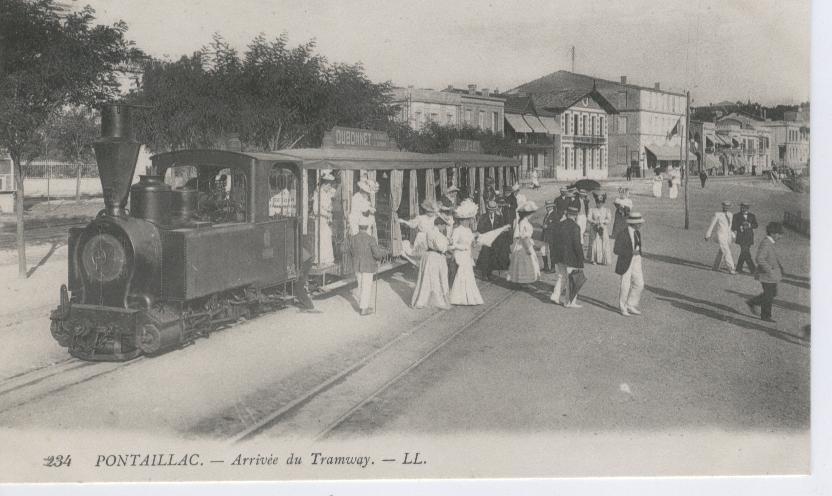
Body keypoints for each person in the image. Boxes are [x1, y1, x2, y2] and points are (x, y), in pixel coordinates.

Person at [746, 222, 784, 323]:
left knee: (772, 293)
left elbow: (772, 257)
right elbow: (759, 258)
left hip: (770, 275)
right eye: (779, 234)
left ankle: (753, 302)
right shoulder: (766, 243)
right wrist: (770, 269)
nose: (780, 236)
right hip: (766, 275)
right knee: (769, 295)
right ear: (772, 233)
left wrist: (780, 268)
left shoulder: (770, 242)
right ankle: (765, 315)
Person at [449, 199, 484, 306]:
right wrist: (463, 247)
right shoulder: (457, 230)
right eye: (466, 220)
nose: (468, 222)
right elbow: (453, 244)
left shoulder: (468, 230)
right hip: (460, 255)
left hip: (467, 256)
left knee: (468, 275)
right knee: (461, 275)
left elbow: (471, 244)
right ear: (461, 220)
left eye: (469, 220)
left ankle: (469, 296)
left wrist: (475, 242)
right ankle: (458, 297)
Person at [351, 216, 388, 316]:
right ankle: (364, 309)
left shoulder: (353, 238)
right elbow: (376, 254)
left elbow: (351, 251)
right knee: (366, 287)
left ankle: (362, 305)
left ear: (359, 226)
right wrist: (382, 254)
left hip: (357, 266)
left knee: (360, 285)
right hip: (368, 266)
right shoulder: (371, 239)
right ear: (367, 227)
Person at [411, 221, 451, 310]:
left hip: (428, 255)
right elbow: (441, 247)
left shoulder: (428, 232)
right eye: (444, 225)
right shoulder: (438, 235)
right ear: (439, 224)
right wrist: (448, 246)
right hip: (435, 257)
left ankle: (422, 299)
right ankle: (438, 300)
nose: (444, 228)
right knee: (437, 278)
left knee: (426, 278)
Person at [550, 206, 584, 307]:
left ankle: (555, 296)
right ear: (576, 215)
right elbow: (577, 245)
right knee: (572, 278)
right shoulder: (575, 227)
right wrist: (580, 258)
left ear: (567, 214)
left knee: (561, 276)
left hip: (559, 256)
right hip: (571, 257)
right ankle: (569, 302)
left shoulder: (559, 225)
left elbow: (554, 241)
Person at [614, 212, 645, 316]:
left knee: (640, 283)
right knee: (625, 285)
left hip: (636, 260)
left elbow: (639, 246)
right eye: (639, 223)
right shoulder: (622, 233)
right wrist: (630, 253)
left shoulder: (637, 233)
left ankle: (631, 304)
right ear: (634, 223)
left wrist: (638, 253)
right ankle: (623, 307)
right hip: (626, 261)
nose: (641, 225)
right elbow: (616, 250)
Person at [507, 200, 541, 285]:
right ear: (528, 214)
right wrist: (528, 248)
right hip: (524, 245)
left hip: (523, 243)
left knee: (523, 264)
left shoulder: (523, 221)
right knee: (526, 263)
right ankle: (522, 281)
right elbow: (523, 237)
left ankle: (522, 281)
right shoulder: (523, 222)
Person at [475, 200, 504, 280]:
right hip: (486, 241)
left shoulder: (499, 217)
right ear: (487, 209)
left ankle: (489, 273)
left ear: (495, 210)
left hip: (495, 241)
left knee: (493, 257)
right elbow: (479, 228)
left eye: (493, 210)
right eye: (490, 210)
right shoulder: (483, 217)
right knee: (485, 257)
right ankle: (484, 274)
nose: (491, 211)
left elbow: (501, 229)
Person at [705, 201, 737, 274]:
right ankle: (731, 268)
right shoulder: (717, 214)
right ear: (722, 206)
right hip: (720, 235)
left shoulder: (730, 215)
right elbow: (712, 225)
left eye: (728, 206)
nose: (726, 207)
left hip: (728, 236)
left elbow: (730, 227)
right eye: (725, 206)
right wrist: (708, 235)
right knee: (726, 251)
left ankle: (715, 266)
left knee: (722, 251)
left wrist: (732, 234)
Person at [312, 171, 336, 266]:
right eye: (329, 185)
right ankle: (321, 260)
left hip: (326, 221)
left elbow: (329, 206)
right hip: (321, 220)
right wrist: (326, 214)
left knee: (327, 238)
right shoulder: (318, 193)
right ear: (325, 184)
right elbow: (316, 209)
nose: (330, 187)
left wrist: (330, 212)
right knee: (322, 239)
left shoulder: (326, 194)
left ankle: (328, 259)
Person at [294, 234, 321, 314]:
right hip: (307, 263)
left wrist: (298, 274)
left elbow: (301, 265)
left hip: (305, 264)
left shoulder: (298, 250)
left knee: (299, 287)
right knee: (299, 286)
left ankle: (309, 306)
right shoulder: (298, 247)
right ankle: (305, 304)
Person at [732, 202, 758, 274]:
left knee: (744, 252)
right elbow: (733, 226)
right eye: (742, 207)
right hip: (741, 237)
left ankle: (738, 268)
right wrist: (739, 227)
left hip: (749, 237)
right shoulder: (736, 216)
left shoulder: (752, 216)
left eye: (745, 207)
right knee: (746, 252)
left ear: (748, 208)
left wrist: (749, 225)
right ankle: (753, 269)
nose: (743, 209)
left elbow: (756, 225)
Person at [588, 193, 612, 265]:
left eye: (601, 203)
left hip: (603, 228)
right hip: (594, 228)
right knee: (595, 242)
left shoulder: (606, 210)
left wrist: (603, 222)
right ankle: (594, 259)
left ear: (603, 203)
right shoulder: (592, 209)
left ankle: (603, 259)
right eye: (598, 202)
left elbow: (609, 219)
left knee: (603, 242)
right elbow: (588, 218)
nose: (599, 204)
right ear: (596, 202)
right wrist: (594, 222)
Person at [540, 200, 558, 272]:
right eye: (547, 207)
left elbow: (557, 225)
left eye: (549, 207)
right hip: (545, 236)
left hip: (552, 236)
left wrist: (548, 226)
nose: (547, 208)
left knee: (552, 252)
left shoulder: (554, 214)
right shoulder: (547, 214)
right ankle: (546, 266)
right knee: (543, 250)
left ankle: (553, 268)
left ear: (552, 207)